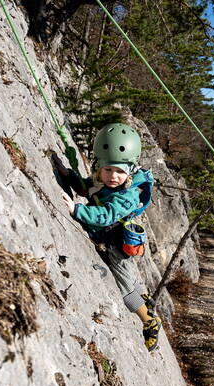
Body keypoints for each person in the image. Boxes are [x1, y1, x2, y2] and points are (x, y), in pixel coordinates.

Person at [53, 122, 161, 352]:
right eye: (109, 169)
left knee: (125, 287)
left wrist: (77, 210)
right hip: (110, 238)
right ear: (100, 167)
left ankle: (149, 321)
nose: (113, 176)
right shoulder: (103, 180)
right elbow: (88, 189)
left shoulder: (128, 196)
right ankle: (145, 298)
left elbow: (106, 214)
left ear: (130, 171)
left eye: (120, 171)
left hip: (117, 245)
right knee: (128, 276)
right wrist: (69, 175)